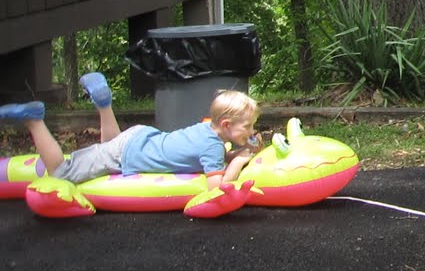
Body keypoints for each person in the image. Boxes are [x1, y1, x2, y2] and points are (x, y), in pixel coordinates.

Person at [0, 72, 261, 184]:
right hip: (128, 153)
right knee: (60, 172)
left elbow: (203, 157)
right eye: (247, 126)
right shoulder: (212, 146)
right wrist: (236, 165)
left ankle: (104, 105)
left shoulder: (207, 129)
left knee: (107, 146)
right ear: (226, 125)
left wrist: (234, 155)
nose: (251, 131)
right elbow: (216, 188)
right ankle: (34, 120)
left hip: (139, 136)